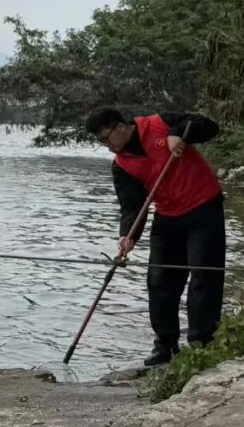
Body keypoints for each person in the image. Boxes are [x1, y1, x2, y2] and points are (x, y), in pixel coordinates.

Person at [85, 107, 225, 366]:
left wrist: (178, 134)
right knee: (159, 281)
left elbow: (207, 125)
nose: (106, 146)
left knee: (204, 277)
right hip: (168, 215)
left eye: (106, 138)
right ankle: (165, 346)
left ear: (120, 127)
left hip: (204, 207)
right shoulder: (121, 165)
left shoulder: (160, 123)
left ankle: (202, 344)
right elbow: (132, 207)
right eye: (101, 142)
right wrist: (128, 236)